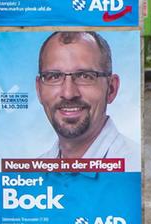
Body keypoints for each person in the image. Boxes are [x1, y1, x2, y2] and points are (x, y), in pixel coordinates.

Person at [35, 31, 139, 169]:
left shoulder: (134, 168)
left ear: (111, 89)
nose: (68, 93)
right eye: (54, 77)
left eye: (84, 76)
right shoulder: (32, 173)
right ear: (39, 90)